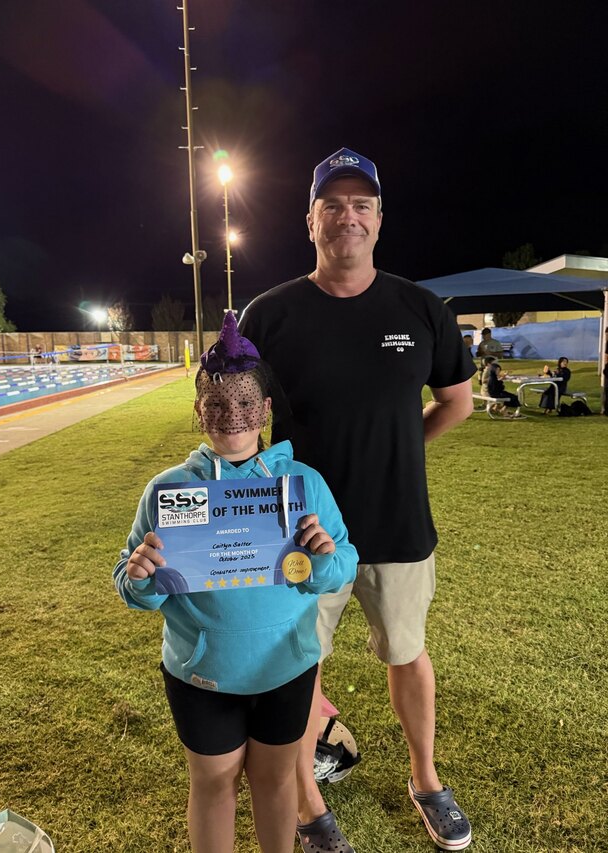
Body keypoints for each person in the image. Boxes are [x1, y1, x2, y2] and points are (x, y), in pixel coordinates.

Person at [239, 147, 475, 852]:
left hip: (397, 525)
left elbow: (456, 402)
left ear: (378, 218)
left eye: (361, 204)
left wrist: (401, 449)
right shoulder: (267, 315)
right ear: (310, 220)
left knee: (407, 652)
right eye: (333, 204)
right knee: (295, 669)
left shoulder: (420, 309)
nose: (348, 215)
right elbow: (240, 419)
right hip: (299, 534)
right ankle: (311, 810)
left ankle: (426, 779)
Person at [113, 312, 358, 853]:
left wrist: (322, 560)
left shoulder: (303, 484)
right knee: (213, 784)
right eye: (217, 405)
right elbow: (130, 581)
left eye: (245, 404)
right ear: (199, 411)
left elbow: (345, 562)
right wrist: (142, 578)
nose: (232, 417)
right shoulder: (168, 491)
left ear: (266, 410)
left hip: (285, 668)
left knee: (275, 782)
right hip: (203, 674)